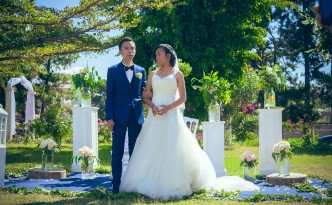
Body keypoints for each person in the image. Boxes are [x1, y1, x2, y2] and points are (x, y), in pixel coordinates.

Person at [119, 44, 259, 200]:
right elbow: (146, 96)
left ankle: (175, 183)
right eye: (156, 55)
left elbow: (183, 98)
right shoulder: (152, 74)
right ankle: (145, 183)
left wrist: (168, 108)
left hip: (172, 117)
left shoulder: (177, 74)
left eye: (159, 54)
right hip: (155, 117)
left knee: (174, 149)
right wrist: (152, 106)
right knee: (150, 148)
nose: (156, 57)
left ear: (168, 55)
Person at [105, 37, 146, 194]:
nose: (130, 51)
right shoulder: (112, 70)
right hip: (118, 116)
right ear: (120, 51)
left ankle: (134, 184)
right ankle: (116, 185)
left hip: (136, 116)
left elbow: (144, 92)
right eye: (127, 48)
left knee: (136, 152)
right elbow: (110, 96)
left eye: (133, 48)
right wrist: (109, 117)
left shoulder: (141, 71)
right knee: (117, 151)